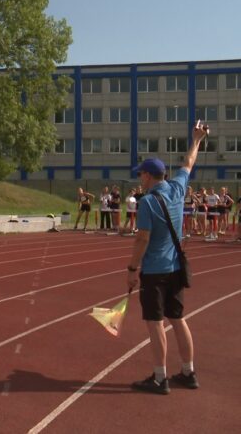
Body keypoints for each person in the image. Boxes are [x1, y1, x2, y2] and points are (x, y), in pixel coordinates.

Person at [126, 122, 208, 395]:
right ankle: (188, 371)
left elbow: (143, 238)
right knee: (178, 319)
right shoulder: (177, 189)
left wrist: (132, 268)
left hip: (155, 271)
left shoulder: (147, 202)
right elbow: (189, 162)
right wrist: (196, 139)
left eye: (142, 175)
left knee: (155, 323)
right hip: (175, 269)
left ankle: (160, 378)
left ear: (149, 176)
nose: (140, 179)